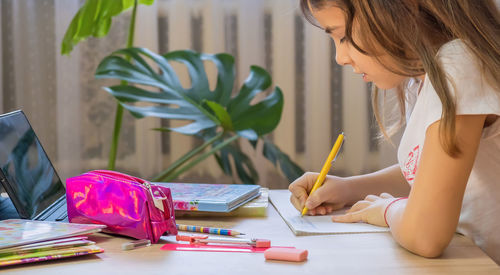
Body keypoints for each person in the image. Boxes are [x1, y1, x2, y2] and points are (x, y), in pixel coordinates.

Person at [289, 0, 500, 264]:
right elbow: (434, 173)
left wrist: (388, 210)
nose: (340, 58)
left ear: (396, 11)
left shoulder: (458, 68)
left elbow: (426, 235)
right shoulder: (427, 75)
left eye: (342, 36)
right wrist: (349, 188)